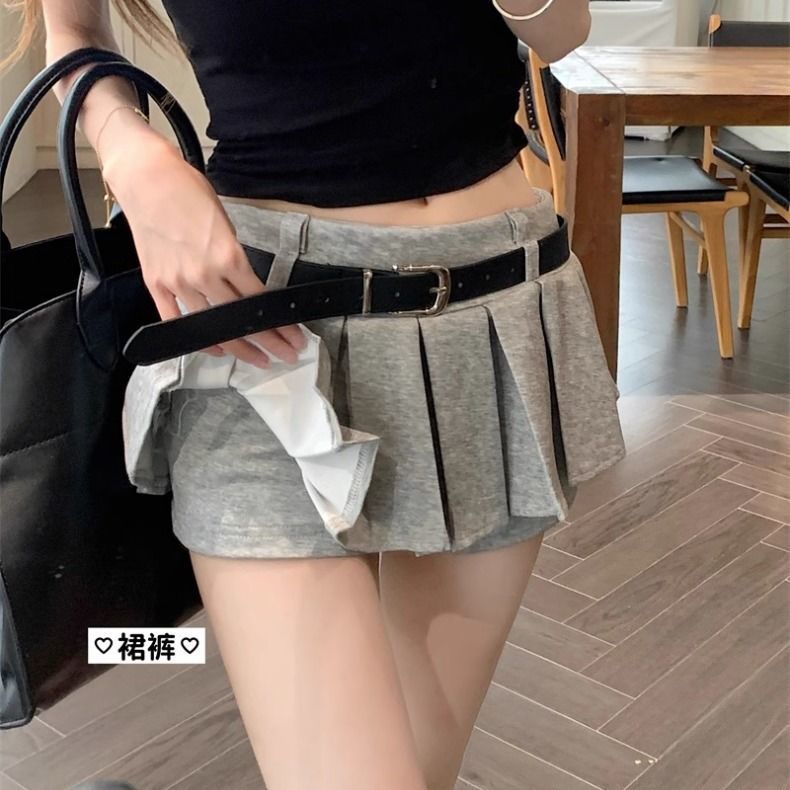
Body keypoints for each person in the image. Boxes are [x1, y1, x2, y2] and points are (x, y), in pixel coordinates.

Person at [5, 1, 625, 788]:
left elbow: (562, 33)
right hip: (261, 333)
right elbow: (75, 33)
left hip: (495, 312)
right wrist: (132, 156)